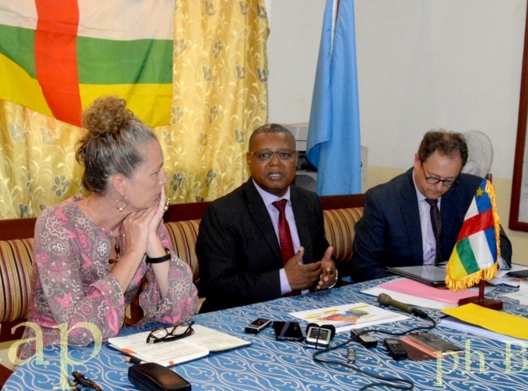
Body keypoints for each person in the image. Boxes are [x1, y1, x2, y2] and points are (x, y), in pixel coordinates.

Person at [17, 96, 198, 361]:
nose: (164, 179)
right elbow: (78, 330)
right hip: (53, 359)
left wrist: (153, 242)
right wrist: (134, 252)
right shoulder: (57, 223)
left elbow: (181, 311)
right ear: (121, 184)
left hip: (112, 352)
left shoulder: (142, 216)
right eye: (155, 172)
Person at [196, 123, 338, 313]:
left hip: (307, 310)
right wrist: (284, 280)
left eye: (285, 155)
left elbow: (324, 257)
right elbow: (218, 284)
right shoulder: (223, 212)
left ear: (295, 159)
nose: (275, 163)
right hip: (246, 315)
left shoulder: (308, 202)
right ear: (249, 160)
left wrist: (329, 274)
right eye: (264, 155)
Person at [351, 130, 512, 282]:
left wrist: (481, 264)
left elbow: (500, 243)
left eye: (449, 180)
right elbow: (365, 268)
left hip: (457, 288)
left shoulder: (471, 190)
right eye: (433, 178)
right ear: (417, 161)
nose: (440, 187)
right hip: (404, 293)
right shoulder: (384, 200)